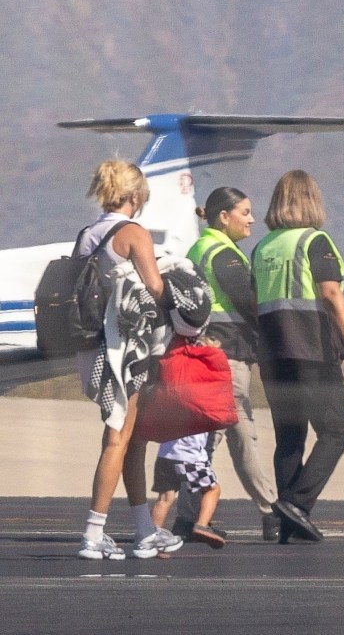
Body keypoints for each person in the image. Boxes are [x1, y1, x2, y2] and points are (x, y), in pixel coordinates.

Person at [77, 159, 183, 560]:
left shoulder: (88, 235)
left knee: (131, 439)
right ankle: (93, 533)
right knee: (118, 438)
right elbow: (156, 287)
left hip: (94, 350)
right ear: (135, 197)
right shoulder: (133, 232)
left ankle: (144, 531)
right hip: (124, 349)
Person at [251, 169, 344, 544]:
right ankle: (297, 504)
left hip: (272, 354)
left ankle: (286, 522)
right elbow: (330, 293)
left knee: (290, 437)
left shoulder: (262, 247)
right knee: (337, 431)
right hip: (311, 349)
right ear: (312, 199)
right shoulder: (316, 241)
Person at [181, 187, 281, 541]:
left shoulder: (198, 248)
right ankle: (272, 511)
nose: (252, 219)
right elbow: (251, 303)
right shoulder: (225, 254)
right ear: (224, 217)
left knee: (208, 434)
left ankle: (187, 515)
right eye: (245, 212)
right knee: (240, 432)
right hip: (228, 356)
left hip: (203, 354)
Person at [151, 431, 225, 549]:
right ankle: (201, 525)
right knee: (212, 490)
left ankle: (151, 539)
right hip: (190, 458)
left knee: (164, 499)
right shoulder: (198, 412)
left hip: (164, 456)